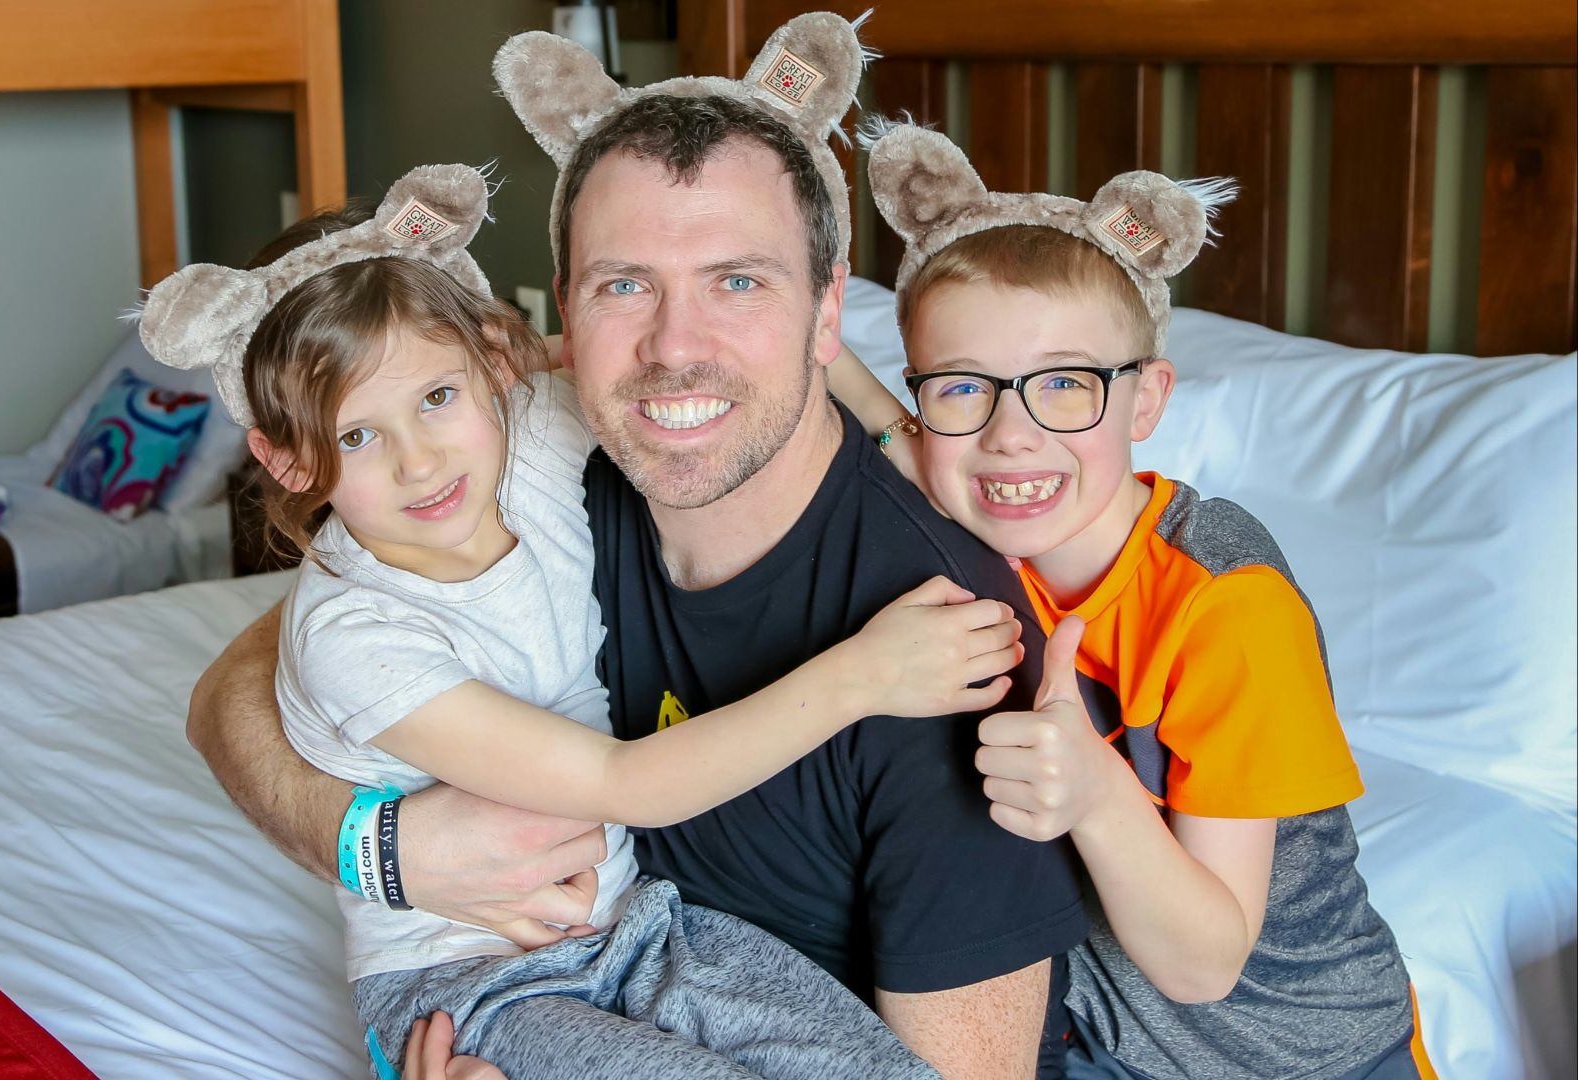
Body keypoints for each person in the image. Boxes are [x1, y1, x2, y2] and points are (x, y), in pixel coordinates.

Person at [186, 14, 1089, 1078]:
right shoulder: (561, 458)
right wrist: (374, 847)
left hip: (655, 947)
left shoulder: (940, 644)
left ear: (825, 309)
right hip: (501, 976)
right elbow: (239, 686)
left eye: (738, 280)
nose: (674, 350)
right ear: (562, 312)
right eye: (626, 285)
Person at [833, 121, 1432, 1080]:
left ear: (1147, 402)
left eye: (1065, 385)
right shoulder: (971, 506)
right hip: (1096, 1042)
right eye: (963, 389)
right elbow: (868, 415)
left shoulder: (1229, 605)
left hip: (1306, 1056)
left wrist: (1097, 790)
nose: (1011, 437)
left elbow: (1207, 963)